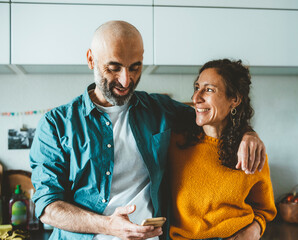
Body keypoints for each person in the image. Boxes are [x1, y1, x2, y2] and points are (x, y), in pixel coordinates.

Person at [29, 21, 266, 240]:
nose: (125, 80)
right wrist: (108, 225)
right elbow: (47, 207)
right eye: (114, 68)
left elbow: (213, 117)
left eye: (135, 67)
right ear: (91, 59)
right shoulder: (56, 124)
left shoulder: (159, 109)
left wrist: (248, 133)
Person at [168, 59, 277, 240]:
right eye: (197, 88)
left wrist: (254, 229)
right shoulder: (175, 143)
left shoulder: (251, 150)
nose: (196, 98)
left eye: (209, 90)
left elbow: (264, 210)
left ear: (234, 99)